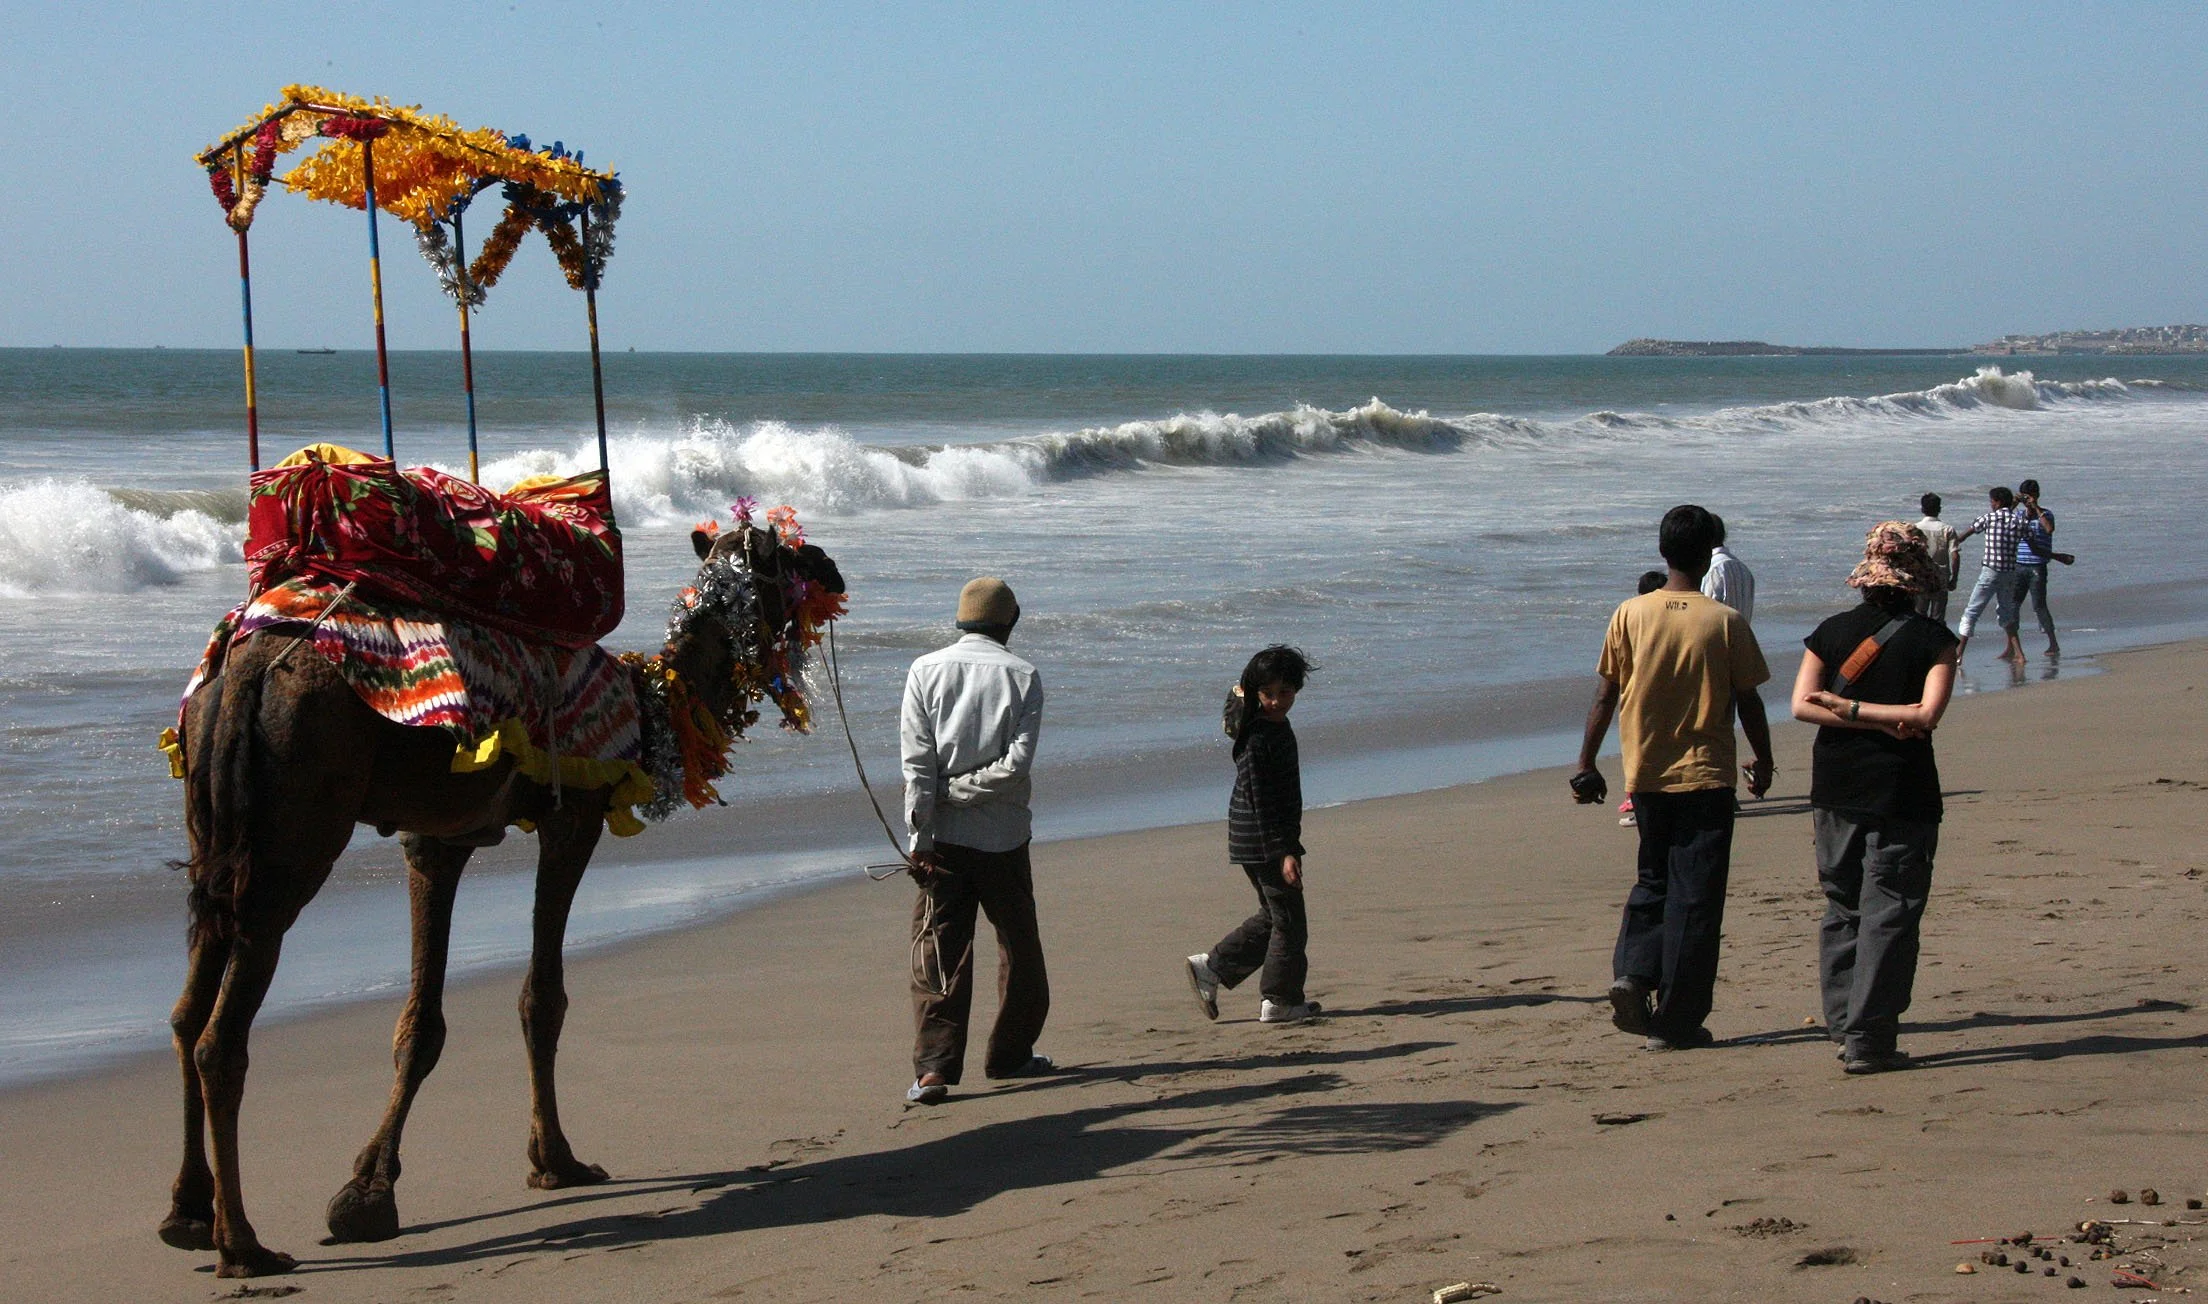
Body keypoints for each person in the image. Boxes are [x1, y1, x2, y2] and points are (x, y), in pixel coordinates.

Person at [1570, 505, 1774, 1051]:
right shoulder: (1724, 621)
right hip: (1707, 776)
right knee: (1697, 898)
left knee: (1654, 879)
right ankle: (1678, 1019)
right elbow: (1748, 699)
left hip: (1648, 775)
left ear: (1663, 552)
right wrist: (1766, 759)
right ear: (1711, 553)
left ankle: (1635, 973)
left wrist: (1586, 763)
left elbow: (1605, 695)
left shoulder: (1630, 614)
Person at [1789, 522, 1957, 1074]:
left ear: (1866, 579)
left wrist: (1848, 710)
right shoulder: (1935, 639)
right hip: (1902, 789)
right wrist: (1886, 722)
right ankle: (1868, 1037)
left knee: (1844, 906)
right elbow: (1926, 716)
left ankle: (1843, 1024)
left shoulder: (1830, 632)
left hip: (1834, 785)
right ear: (1917, 582)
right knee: (1891, 911)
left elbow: (1802, 705)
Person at [898, 577, 1052, 1104]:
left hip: (941, 837)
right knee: (1019, 948)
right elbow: (1014, 767)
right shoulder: (1024, 675)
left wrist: (923, 827)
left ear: (961, 620)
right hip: (1004, 836)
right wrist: (963, 794)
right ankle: (1010, 1054)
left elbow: (916, 763)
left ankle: (934, 1069)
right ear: (1009, 622)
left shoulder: (925, 670)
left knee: (938, 951)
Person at [1185, 646, 1322, 1025]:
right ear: (1255, 692)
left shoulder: (1269, 726)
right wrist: (1285, 852)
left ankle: (1211, 968)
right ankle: (1280, 999)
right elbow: (1263, 799)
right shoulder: (1259, 736)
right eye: (1270, 693)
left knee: (1276, 915)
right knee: (1290, 922)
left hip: (1256, 836)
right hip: (1262, 839)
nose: (1278, 701)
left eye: (1286, 692)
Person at [1950, 486, 2026, 663]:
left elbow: (1966, 534)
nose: (1991, 505)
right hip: (2009, 573)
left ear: (1997, 502)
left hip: (1991, 571)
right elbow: (2032, 542)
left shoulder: (1989, 518)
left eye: (1992, 501)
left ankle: (1959, 653)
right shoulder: (2019, 521)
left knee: (1972, 612)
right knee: (2006, 613)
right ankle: (2019, 654)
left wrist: (1950, 543)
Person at [1618, 570, 1670, 828]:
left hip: (1642, 704)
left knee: (1641, 760)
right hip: (1668, 702)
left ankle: (1638, 808)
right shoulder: (1672, 621)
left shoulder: (1634, 619)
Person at [2011, 478, 2070, 657]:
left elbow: (2049, 529)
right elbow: (2003, 521)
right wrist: (2013, 504)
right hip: (2019, 565)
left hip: (2037, 566)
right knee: (2013, 605)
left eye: (2031, 496)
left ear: (2037, 496)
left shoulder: (2046, 514)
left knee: (2039, 605)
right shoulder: (2018, 515)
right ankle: (2012, 646)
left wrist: (2036, 508)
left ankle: (2053, 643)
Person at [1911, 493, 1961, 626]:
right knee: (1938, 618)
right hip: (1941, 577)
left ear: (1922, 509)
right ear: (1939, 509)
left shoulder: (1915, 529)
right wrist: (1954, 578)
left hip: (1920, 576)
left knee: (1918, 616)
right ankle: (1935, 644)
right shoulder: (1947, 529)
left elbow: (1910, 555)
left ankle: (1919, 643)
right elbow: (1955, 555)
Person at [1699, 514, 1756, 625]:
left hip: (1719, 640)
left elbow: (1708, 618)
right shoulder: (1744, 570)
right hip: (1741, 639)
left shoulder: (1713, 570)